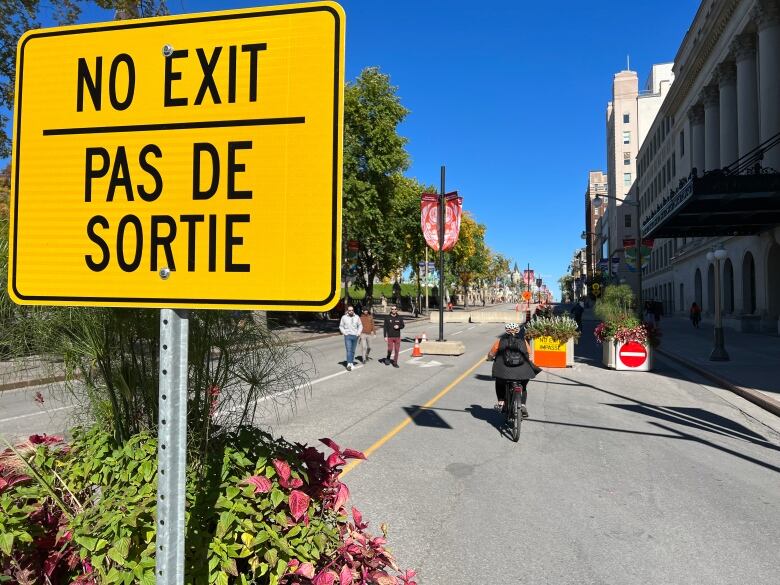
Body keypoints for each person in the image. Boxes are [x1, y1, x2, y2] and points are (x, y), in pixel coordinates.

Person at [487, 323, 540, 418]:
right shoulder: (523, 341)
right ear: (518, 330)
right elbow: (530, 354)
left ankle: (501, 402)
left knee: (499, 383)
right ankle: (523, 405)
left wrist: (490, 358)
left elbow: (491, 354)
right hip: (523, 371)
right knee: (523, 387)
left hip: (503, 371)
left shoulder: (500, 341)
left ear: (506, 331)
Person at [338, 305, 363, 371]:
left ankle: (351, 363)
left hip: (355, 336)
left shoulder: (357, 317)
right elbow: (341, 326)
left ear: (353, 310)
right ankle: (349, 364)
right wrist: (345, 333)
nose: (351, 311)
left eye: (352, 310)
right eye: (349, 310)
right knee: (349, 350)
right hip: (348, 336)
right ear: (347, 311)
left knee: (353, 351)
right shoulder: (344, 317)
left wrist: (358, 333)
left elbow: (360, 325)